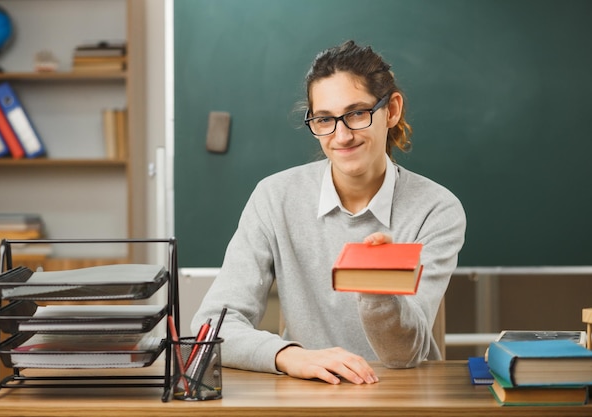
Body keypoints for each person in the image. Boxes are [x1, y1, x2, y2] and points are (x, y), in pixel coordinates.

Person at [191, 40, 466, 385]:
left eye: (356, 114)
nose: (342, 135)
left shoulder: (435, 209)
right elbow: (212, 326)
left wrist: (376, 289)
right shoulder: (274, 197)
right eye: (324, 119)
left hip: (403, 396)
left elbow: (404, 355)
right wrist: (290, 356)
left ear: (392, 110)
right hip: (310, 393)